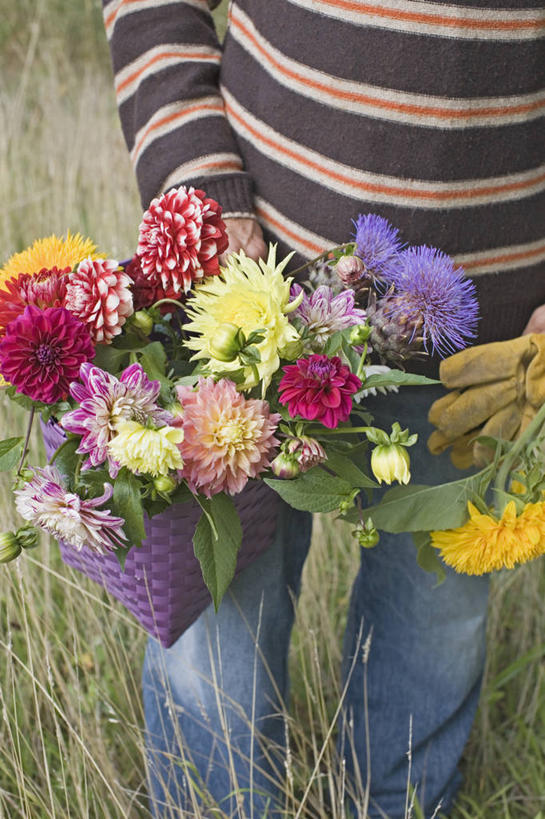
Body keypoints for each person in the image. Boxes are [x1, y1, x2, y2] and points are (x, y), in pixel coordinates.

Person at [101, 0, 545, 815]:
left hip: (488, 349)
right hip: (246, 289)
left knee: (434, 633)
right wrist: (201, 197)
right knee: (216, 634)